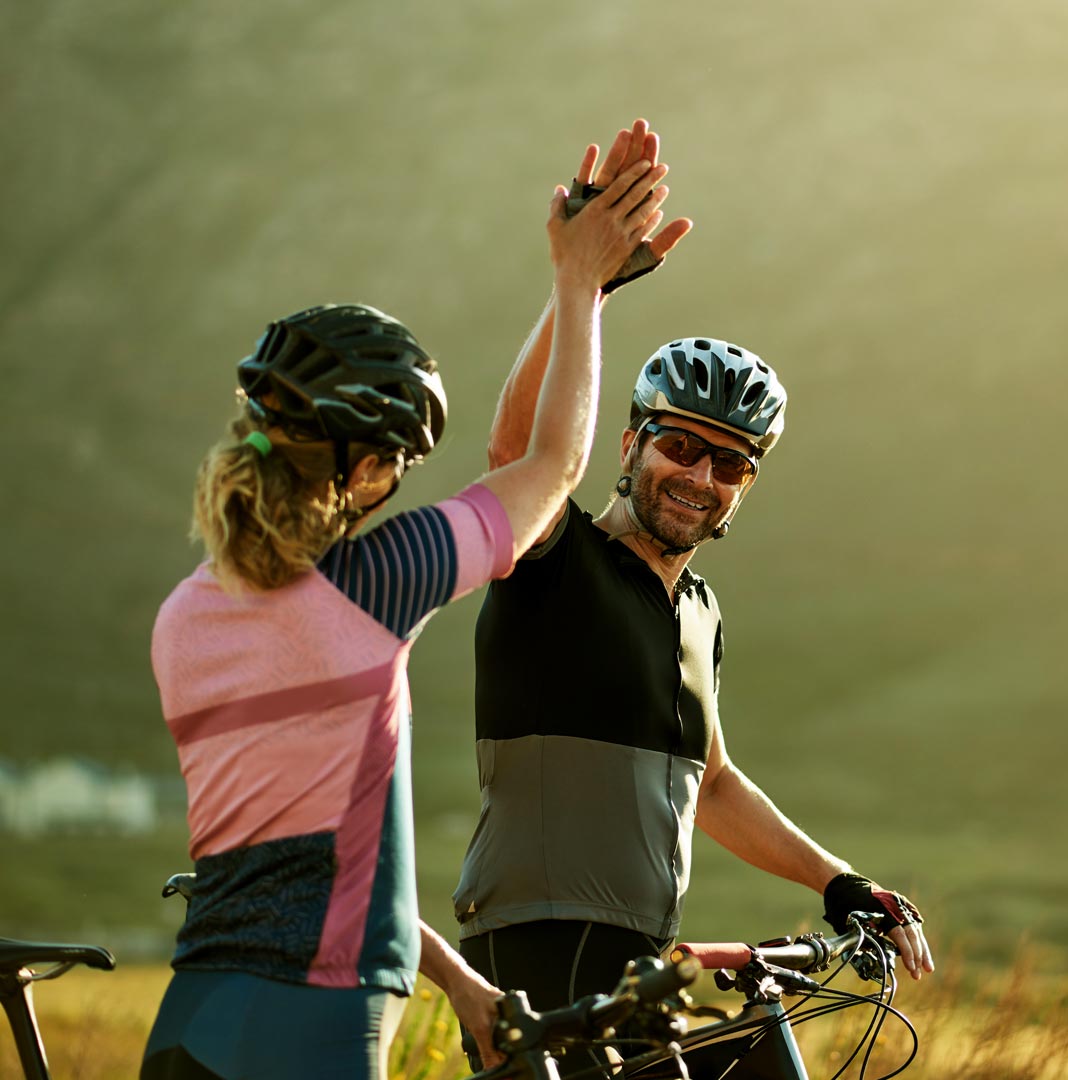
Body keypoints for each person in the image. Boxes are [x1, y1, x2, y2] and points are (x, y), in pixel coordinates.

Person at [140, 137, 676, 1080]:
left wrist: (461, 983)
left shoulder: (183, 618)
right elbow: (549, 468)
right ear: (369, 469)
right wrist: (579, 282)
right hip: (316, 1026)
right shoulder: (370, 588)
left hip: (193, 1019)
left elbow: (312, 867)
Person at [449, 121, 935, 1050]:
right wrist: (581, 285)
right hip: (538, 956)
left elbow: (710, 787)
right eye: (679, 445)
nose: (698, 476)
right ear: (630, 443)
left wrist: (840, 884)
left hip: (641, 963)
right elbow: (517, 454)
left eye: (730, 464)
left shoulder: (698, 615)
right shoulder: (557, 557)